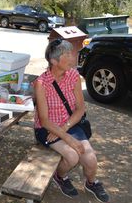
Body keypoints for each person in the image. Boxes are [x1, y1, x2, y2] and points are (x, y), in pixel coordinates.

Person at [33, 39, 109, 202]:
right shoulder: (41, 84)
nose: (72, 58)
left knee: (90, 159)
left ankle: (91, 183)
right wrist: (69, 139)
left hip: (70, 123)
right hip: (47, 128)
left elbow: (81, 109)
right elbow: (44, 120)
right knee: (72, 156)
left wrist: (65, 129)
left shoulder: (73, 75)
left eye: (71, 53)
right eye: (67, 54)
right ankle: (60, 177)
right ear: (54, 61)